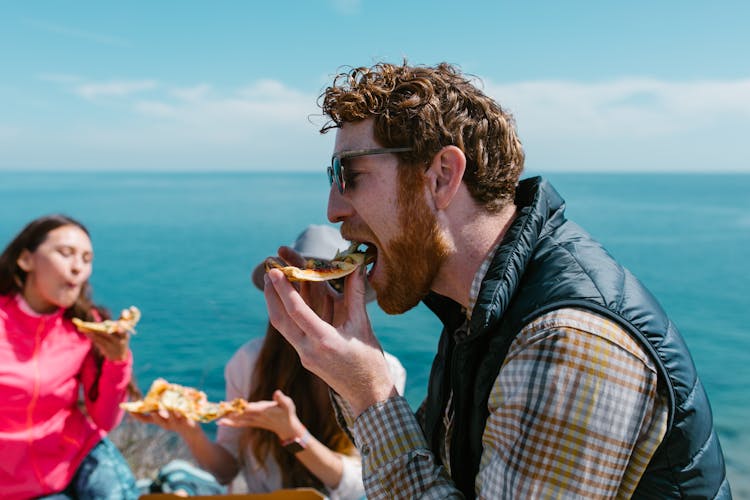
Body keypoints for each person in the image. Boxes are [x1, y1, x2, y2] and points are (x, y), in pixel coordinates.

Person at [262, 62, 732, 499]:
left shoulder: (567, 341)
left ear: (442, 176)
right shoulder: (477, 312)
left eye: (351, 174)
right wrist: (344, 371)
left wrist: (370, 395)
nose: (333, 210)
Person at [134, 224, 406, 499]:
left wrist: (292, 434)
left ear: (353, 292)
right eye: (299, 280)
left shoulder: (385, 372)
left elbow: (368, 484)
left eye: (335, 281)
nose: (316, 295)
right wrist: (190, 431)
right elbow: (226, 470)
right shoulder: (248, 362)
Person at [0, 214, 139, 499]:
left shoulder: (89, 325)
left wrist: (117, 361)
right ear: (25, 260)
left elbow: (106, 421)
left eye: (87, 259)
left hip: (80, 456)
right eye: (66, 254)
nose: (78, 267)